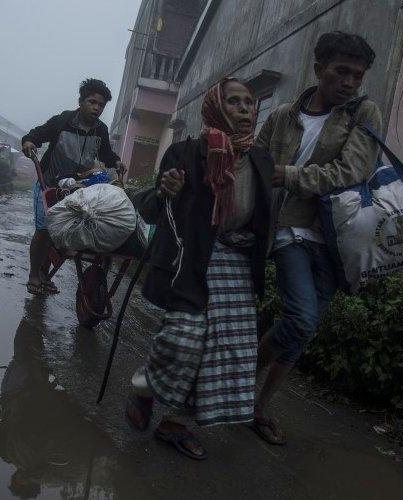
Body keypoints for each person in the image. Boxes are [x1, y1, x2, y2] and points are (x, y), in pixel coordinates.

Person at [125, 78, 274, 460]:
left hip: (237, 263)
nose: (245, 109)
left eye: (249, 103)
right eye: (235, 102)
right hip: (190, 261)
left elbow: (262, 218)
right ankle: (144, 387)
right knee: (184, 338)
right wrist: (165, 191)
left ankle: (174, 424)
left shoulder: (260, 159)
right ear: (214, 108)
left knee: (223, 350)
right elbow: (151, 208)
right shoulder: (184, 153)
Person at [253, 32, 383, 445]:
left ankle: (258, 406)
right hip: (290, 228)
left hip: (338, 238)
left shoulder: (365, 113)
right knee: (302, 317)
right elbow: (255, 163)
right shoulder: (282, 116)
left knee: (302, 329)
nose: (348, 83)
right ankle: (240, 383)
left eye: (356, 76)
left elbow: (353, 172)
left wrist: (288, 174)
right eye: (341, 72)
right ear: (319, 70)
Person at [21, 78, 126, 295]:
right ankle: (34, 274)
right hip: (49, 184)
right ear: (81, 101)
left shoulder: (101, 130)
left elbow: (106, 154)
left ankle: (44, 274)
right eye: (92, 102)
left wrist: (115, 161)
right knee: (44, 230)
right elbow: (37, 134)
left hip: (77, 188)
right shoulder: (63, 121)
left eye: (101, 105)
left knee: (60, 234)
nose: (96, 107)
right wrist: (29, 141)